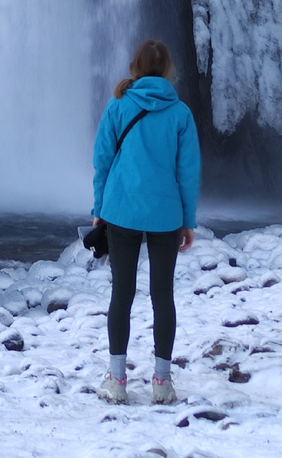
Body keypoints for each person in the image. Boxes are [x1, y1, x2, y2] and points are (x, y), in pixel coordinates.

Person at [91, 39, 200, 405]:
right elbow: (188, 172)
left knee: (121, 294)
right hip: (166, 216)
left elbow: (102, 160)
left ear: (134, 66)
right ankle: (162, 382)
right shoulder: (180, 113)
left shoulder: (119, 104)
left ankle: (117, 380)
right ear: (168, 70)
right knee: (162, 296)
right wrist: (188, 220)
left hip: (121, 211)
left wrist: (98, 207)